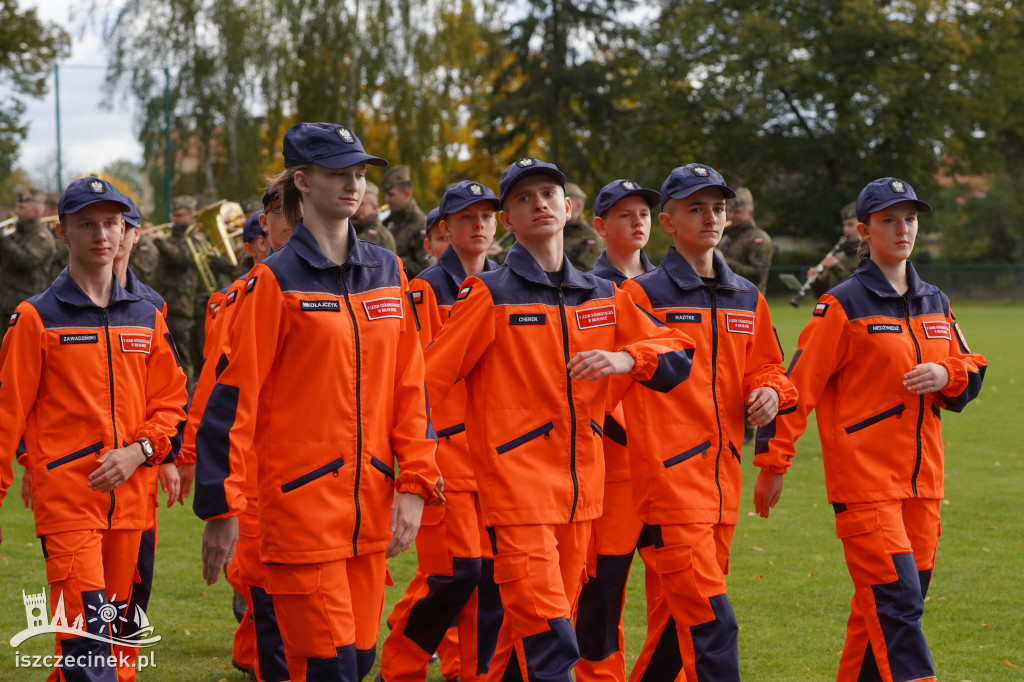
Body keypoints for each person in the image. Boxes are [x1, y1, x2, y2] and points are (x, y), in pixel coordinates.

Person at [422, 157, 696, 681]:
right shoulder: (489, 295)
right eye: (523, 198)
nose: (539, 204)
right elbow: (424, 385)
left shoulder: (604, 296)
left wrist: (626, 358)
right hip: (515, 496)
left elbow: (677, 353)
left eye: (548, 193)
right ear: (508, 220)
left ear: (568, 208)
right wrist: (424, 463)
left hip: (581, 500)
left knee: (525, 637)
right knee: (551, 636)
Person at [193, 122, 441, 681]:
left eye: (358, 173)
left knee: (357, 660)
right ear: (301, 182)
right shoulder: (272, 283)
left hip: (370, 511)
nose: (353, 184)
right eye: (337, 173)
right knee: (330, 668)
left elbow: (411, 386)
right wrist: (221, 506)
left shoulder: (387, 270)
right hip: (300, 514)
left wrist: (416, 483)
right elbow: (232, 400)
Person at [753, 177, 987, 682]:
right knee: (897, 606)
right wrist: (773, 463)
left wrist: (949, 373)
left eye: (910, 219)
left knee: (881, 612)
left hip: (923, 487)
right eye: (888, 220)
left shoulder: (935, 302)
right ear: (865, 230)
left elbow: (971, 375)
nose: (902, 229)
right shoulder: (842, 305)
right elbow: (797, 387)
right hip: (864, 487)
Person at [0, 176, 188, 682]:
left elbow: (171, 403)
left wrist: (140, 450)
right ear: (62, 232)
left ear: (124, 229)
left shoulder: (147, 316)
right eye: (87, 224)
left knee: (110, 647)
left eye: (111, 223)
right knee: (86, 646)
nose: (101, 235)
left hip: (131, 506)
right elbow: (5, 417)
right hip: (67, 504)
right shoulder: (35, 318)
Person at [615, 164, 796, 681]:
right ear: (667, 222)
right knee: (714, 626)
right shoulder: (641, 296)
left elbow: (770, 369)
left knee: (679, 627)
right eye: (696, 207)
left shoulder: (746, 296)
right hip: (668, 488)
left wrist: (766, 391)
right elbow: (611, 385)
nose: (712, 217)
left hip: (724, 486)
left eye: (718, 207)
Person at [380, 180, 504, 682]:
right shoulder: (424, 289)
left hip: (498, 459)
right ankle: (401, 665)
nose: (479, 226)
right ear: (444, 229)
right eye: (467, 218)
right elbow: (414, 379)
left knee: (491, 580)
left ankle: (470, 671)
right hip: (443, 457)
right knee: (456, 573)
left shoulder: (507, 285)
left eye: (486, 217)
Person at [574, 178, 661, 681]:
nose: (638, 222)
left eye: (644, 213)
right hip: (615, 466)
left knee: (678, 587)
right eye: (624, 215)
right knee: (603, 584)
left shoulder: (673, 284)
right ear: (601, 226)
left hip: (675, 463)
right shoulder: (591, 290)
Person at [114, 196, 185, 674]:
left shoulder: (151, 305)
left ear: (135, 236)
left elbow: (170, 386)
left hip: (141, 462)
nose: (114, 236)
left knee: (139, 580)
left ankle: (124, 667)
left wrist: (169, 456)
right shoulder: (54, 305)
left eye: (124, 227)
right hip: (83, 471)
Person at [154, 195, 201, 384]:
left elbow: (182, 258)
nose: (174, 219)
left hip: (184, 305)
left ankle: (188, 395)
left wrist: (158, 241)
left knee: (184, 356)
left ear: (191, 215)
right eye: (173, 215)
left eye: (179, 215)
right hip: (166, 301)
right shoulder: (169, 237)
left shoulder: (194, 238)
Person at [0, 186, 60, 334]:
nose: (16, 211)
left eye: (22, 207)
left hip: (25, 307)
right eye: (17, 206)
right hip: (5, 304)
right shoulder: (15, 233)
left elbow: (27, 261)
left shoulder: (42, 237)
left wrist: (5, 241)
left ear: (34, 212)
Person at [720, 187, 772, 294]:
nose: (730, 216)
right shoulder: (725, 238)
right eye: (729, 210)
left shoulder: (758, 238)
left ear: (750, 213)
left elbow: (757, 275)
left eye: (737, 212)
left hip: (750, 304)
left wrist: (722, 263)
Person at [381, 165, 431, 276]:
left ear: (407, 194)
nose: (386, 199)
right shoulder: (392, 222)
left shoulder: (421, 224)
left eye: (391, 194)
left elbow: (426, 268)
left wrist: (391, 260)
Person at [809, 202, 861, 298]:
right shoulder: (839, 256)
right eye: (844, 225)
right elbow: (823, 294)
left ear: (862, 226)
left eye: (850, 225)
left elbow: (859, 288)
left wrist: (837, 267)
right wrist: (817, 281)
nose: (845, 229)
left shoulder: (870, 256)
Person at [563, 182, 604, 271]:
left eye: (566, 204)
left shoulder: (589, 237)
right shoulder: (552, 232)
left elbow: (586, 271)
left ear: (579, 207)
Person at [353, 180, 398, 252]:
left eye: (361, 204)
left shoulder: (378, 235)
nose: (355, 207)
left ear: (374, 207)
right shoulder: (350, 228)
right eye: (353, 202)